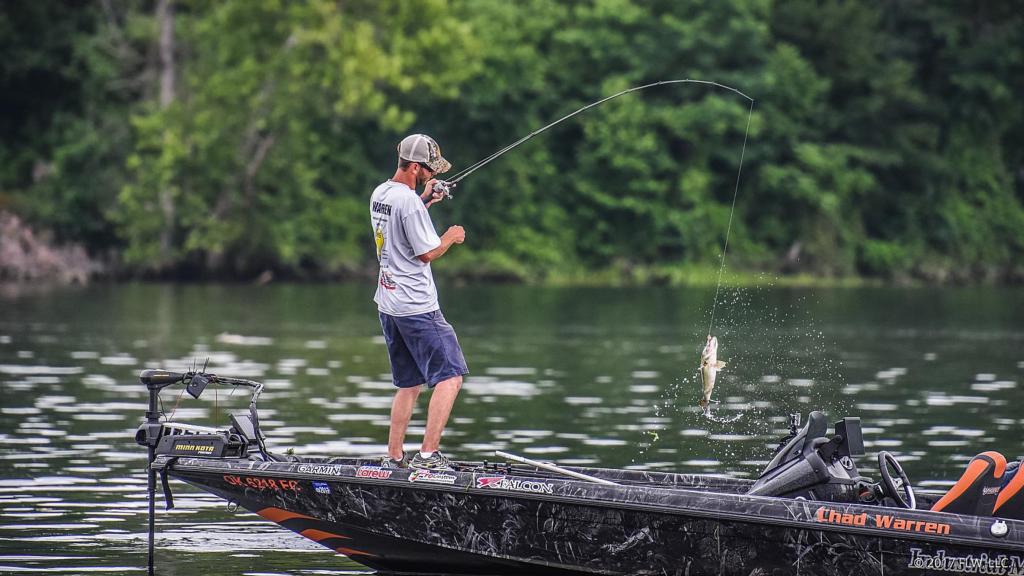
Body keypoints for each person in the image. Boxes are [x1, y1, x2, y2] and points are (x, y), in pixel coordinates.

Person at [369, 134, 468, 471]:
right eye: (427, 169)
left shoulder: (382, 193)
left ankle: (395, 457)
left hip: (389, 303)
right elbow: (426, 252)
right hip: (417, 306)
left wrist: (425, 198)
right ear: (413, 166)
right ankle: (428, 456)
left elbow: (403, 223)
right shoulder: (407, 202)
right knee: (450, 376)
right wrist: (451, 237)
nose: (430, 173)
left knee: (409, 383)